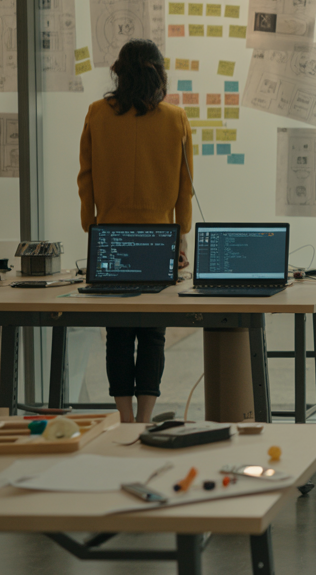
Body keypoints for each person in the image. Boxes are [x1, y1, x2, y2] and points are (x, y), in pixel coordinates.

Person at [77, 39, 192, 424]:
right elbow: (183, 186)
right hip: (159, 239)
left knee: (119, 334)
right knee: (153, 334)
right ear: (159, 73)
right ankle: (145, 417)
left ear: (119, 72)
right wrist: (181, 236)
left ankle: (124, 418)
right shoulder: (176, 118)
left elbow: (86, 178)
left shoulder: (96, 113)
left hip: (110, 239)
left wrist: (91, 227)